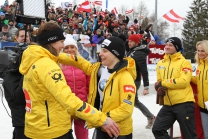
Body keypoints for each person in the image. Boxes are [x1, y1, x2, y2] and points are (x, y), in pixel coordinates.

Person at [19, 21, 119, 139]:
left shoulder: (35, 56)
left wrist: (90, 68)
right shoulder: (47, 65)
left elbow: (68, 57)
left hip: (36, 128)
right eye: (61, 42)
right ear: (51, 41)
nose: (63, 46)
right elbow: (68, 99)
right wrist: (102, 120)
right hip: (53, 132)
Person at [58, 36, 137, 139]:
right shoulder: (99, 69)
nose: (100, 54)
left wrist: (102, 118)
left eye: (104, 51)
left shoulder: (125, 77)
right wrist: (57, 56)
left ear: (115, 53)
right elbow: (80, 62)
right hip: (102, 126)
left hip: (118, 131)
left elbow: (126, 110)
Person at [152, 37, 197, 139]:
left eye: (170, 45)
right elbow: (159, 82)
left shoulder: (184, 62)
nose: (167, 47)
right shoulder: (160, 63)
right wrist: (158, 88)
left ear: (177, 47)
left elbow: (184, 82)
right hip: (168, 104)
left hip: (184, 103)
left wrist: (163, 83)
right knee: (157, 129)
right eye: (166, 44)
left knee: (189, 135)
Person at [2, 28, 31, 139]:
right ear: (16, 38)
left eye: (27, 36)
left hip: (36, 120)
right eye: (22, 36)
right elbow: (18, 97)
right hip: (21, 121)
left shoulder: (34, 56)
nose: (24, 39)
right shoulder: (10, 62)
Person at [62, 35, 89, 139]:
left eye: (72, 47)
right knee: (64, 134)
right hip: (65, 106)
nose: (70, 50)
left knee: (82, 135)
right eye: (67, 47)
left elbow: (88, 85)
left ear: (76, 48)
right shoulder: (59, 65)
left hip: (81, 105)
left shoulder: (83, 63)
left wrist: (89, 102)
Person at [126, 34, 155, 129]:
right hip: (129, 79)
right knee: (134, 101)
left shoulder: (139, 53)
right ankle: (150, 117)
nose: (129, 43)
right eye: (129, 41)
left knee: (130, 101)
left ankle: (150, 117)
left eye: (131, 41)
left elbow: (144, 70)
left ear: (136, 42)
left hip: (134, 80)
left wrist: (146, 87)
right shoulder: (133, 51)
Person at [191, 40, 208, 139]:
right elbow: (199, 82)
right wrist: (188, 76)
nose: (200, 53)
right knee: (206, 134)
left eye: (203, 51)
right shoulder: (200, 66)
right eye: (198, 50)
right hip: (203, 105)